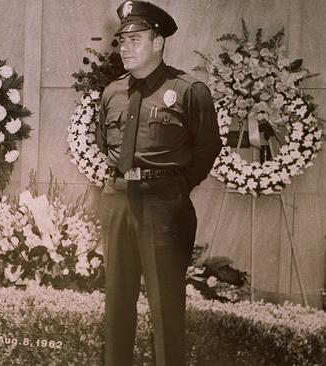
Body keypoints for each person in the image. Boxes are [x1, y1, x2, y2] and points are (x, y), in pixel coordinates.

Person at [95, 1, 221, 365]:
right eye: (122, 41)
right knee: (117, 302)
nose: (126, 48)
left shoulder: (188, 90)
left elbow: (207, 148)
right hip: (118, 199)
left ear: (159, 42)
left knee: (166, 306)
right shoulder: (112, 92)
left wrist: (173, 186)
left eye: (136, 39)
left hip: (165, 205)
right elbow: (106, 142)